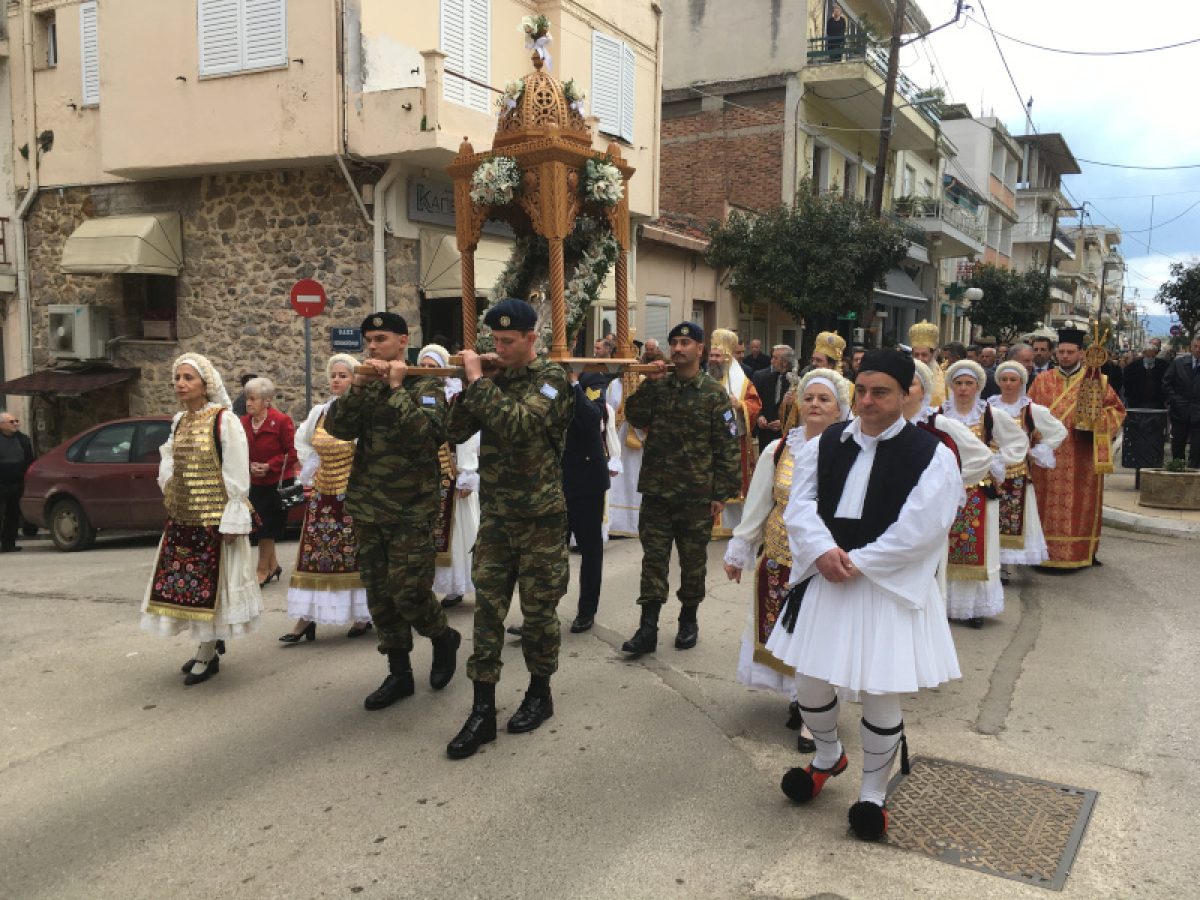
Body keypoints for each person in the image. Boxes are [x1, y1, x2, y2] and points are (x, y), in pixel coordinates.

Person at [767, 349, 963, 842]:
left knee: (880, 691)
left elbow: (924, 525)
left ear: (905, 395)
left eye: (882, 392)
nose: (869, 401)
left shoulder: (931, 453)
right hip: (828, 576)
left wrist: (860, 562)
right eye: (863, 391)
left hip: (885, 586)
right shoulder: (826, 441)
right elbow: (800, 504)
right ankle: (829, 756)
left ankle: (873, 792)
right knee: (810, 683)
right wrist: (822, 550)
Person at [443, 298, 574, 760]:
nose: (499, 347)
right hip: (498, 517)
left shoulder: (553, 381)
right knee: (488, 613)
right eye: (494, 341)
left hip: (540, 519)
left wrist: (481, 382)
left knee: (538, 616)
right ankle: (482, 709)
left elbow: (519, 425)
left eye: (507, 341)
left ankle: (540, 691)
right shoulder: (491, 382)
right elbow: (453, 430)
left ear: (531, 339)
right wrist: (468, 386)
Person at [326, 312, 461, 711]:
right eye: (368, 339)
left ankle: (442, 637)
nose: (372, 346)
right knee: (381, 595)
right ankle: (399, 673)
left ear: (403, 341)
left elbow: (428, 435)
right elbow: (337, 429)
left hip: (410, 509)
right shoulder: (365, 384)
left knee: (410, 591)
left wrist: (398, 387)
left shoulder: (426, 386)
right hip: (368, 506)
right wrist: (357, 387)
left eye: (381, 339)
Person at [723, 367, 851, 751]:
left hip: (825, 565)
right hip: (779, 558)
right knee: (789, 633)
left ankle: (817, 719)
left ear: (840, 408)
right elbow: (759, 503)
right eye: (809, 397)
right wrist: (740, 548)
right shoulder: (778, 449)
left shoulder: (852, 452)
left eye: (824, 399)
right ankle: (801, 698)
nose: (814, 404)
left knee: (822, 638)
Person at [621, 321, 741, 657]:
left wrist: (721, 494)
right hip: (658, 494)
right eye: (674, 342)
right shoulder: (660, 387)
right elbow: (633, 413)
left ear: (700, 350)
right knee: (654, 562)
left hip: (696, 496)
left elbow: (727, 447)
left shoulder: (714, 394)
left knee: (692, 563)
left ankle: (689, 618)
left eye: (685, 342)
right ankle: (647, 628)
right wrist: (648, 383)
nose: (677, 348)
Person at [141, 354, 262, 686]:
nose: (180, 383)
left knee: (213, 589)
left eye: (188, 378)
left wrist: (233, 518)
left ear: (205, 384)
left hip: (214, 518)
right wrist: (172, 486)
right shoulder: (179, 420)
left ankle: (207, 652)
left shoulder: (224, 420)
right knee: (189, 589)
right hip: (184, 517)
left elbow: (236, 469)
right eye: (177, 377)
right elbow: (169, 456)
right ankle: (206, 644)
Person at [281, 354, 371, 643]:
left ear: (355, 379)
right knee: (314, 555)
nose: (336, 380)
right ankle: (305, 619)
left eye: (343, 375)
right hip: (322, 495)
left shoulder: (363, 412)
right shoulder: (320, 412)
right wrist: (311, 467)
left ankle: (360, 615)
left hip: (352, 493)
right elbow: (302, 440)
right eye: (333, 375)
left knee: (351, 554)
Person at [1027, 322, 1126, 569]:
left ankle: (1082, 551)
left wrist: (1095, 422)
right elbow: (1026, 413)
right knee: (1043, 504)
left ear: (1081, 354)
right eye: (1061, 352)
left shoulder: (1097, 382)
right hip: (1047, 456)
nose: (1065, 356)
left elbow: (1117, 411)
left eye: (1070, 352)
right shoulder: (1042, 380)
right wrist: (1034, 434)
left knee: (1081, 504)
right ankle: (1042, 553)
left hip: (1081, 453)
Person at [939, 361, 1028, 627]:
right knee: (943, 547)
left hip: (978, 490)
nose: (963, 389)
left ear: (978, 386)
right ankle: (942, 604)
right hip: (946, 490)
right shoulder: (940, 414)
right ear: (951, 386)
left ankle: (972, 607)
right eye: (958, 383)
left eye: (969, 383)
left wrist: (999, 461)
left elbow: (1018, 440)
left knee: (976, 548)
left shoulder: (990, 414)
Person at [987, 361, 1068, 570]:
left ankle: (1006, 565)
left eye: (1013, 380)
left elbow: (1059, 430)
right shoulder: (988, 406)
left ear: (1021, 381)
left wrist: (1038, 451)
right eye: (1004, 379)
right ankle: (992, 562)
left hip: (1017, 473)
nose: (1008, 384)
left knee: (1013, 518)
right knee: (990, 516)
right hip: (990, 470)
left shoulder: (1031, 409)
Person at [418, 344, 480, 610]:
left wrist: (466, 472)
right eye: (424, 366)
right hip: (422, 473)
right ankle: (429, 587)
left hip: (450, 472)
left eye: (434, 366)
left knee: (457, 533)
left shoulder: (454, 397)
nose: (429, 372)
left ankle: (456, 585)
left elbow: (467, 437)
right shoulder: (414, 394)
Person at [562, 368, 611, 633]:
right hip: (553, 478)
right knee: (546, 553)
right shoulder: (541, 377)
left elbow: (592, 418)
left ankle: (586, 610)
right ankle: (540, 614)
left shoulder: (592, 380)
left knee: (590, 550)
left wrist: (573, 385)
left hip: (586, 478)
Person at [240, 377, 296, 587]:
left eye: (253, 399)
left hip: (277, 484)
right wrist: (249, 465)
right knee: (260, 527)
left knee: (267, 529)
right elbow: (238, 450)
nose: (248, 403)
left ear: (266, 401)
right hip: (254, 483)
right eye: (247, 398)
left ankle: (262, 570)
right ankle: (274, 566)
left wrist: (270, 465)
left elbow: (293, 451)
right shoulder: (243, 423)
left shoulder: (281, 421)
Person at [707, 328, 762, 536]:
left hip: (733, 441)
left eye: (717, 356)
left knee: (732, 481)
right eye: (711, 355)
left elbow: (755, 405)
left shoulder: (743, 383)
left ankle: (732, 524)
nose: (713, 360)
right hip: (708, 442)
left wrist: (739, 404)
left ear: (727, 358)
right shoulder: (704, 378)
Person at [1162, 334, 1200, 467]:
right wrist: (1175, 399)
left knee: (1197, 449)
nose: (1198, 350)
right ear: (1191, 347)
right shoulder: (1178, 363)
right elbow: (1166, 383)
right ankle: (1177, 469)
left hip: (1198, 414)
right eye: (1195, 346)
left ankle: (1195, 475)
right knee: (1178, 446)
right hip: (1180, 412)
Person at [0, 411, 35, 553]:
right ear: (1, 424)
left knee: (13, 515)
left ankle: (9, 543)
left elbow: (29, 460)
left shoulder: (23, 440)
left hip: (17, 483)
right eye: (11, 422)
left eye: (16, 421)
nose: (16, 424)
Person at [752, 345, 796, 452]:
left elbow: (798, 411)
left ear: (785, 362)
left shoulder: (796, 382)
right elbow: (758, 402)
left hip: (786, 438)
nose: (771, 361)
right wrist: (760, 417)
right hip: (766, 436)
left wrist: (783, 423)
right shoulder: (766, 379)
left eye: (775, 358)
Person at [908, 321, 946, 408]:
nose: (920, 359)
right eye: (916, 355)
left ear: (932, 354)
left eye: (924, 355)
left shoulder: (945, 378)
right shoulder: (903, 375)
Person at [1124, 343, 1169, 410]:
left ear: (1155, 355)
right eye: (1148, 356)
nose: (1150, 358)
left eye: (1153, 356)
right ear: (1144, 354)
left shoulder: (1163, 366)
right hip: (1137, 401)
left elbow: (1167, 381)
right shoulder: (1132, 367)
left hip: (1158, 401)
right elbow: (1127, 383)